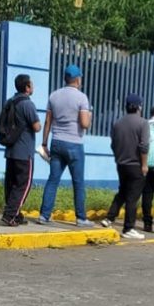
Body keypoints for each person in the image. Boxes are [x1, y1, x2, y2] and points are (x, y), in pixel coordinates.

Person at [37, 65, 94, 227]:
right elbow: (84, 124)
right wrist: (89, 116)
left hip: (56, 142)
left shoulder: (54, 96)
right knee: (78, 182)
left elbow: (48, 121)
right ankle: (81, 218)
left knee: (53, 180)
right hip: (74, 144)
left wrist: (44, 143)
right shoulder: (82, 98)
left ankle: (44, 215)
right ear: (78, 79)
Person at [101, 94, 150, 239]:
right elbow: (144, 146)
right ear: (139, 106)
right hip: (136, 165)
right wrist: (145, 164)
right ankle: (128, 228)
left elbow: (113, 144)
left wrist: (118, 158)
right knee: (132, 197)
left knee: (122, 192)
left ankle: (109, 218)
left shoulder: (117, 123)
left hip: (121, 164)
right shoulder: (143, 123)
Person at [1, 74, 41, 226]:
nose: (33, 87)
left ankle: (15, 213)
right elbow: (36, 127)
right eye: (31, 84)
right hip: (24, 152)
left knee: (11, 184)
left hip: (10, 149)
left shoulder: (10, 101)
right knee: (24, 184)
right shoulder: (27, 104)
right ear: (27, 87)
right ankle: (10, 214)